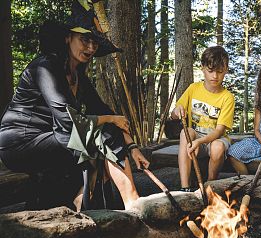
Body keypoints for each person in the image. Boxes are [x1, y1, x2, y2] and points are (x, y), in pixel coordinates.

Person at [0, 0, 149, 211]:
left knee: (100, 133)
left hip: (54, 137)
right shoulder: (46, 67)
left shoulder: (79, 76)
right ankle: (132, 203)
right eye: (85, 40)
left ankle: (83, 201)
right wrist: (110, 120)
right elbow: (69, 121)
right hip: (20, 142)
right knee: (101, 133)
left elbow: (105, 111)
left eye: (95, 43)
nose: (90, 47)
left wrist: (133, 147)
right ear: (67, 37)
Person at [171, 46, 235, 191]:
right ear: (202, 68)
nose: (215, 76)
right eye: (210, 71)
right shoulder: (193, 88)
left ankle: (209, 186)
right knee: (185, 132)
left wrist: (199, 141)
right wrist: (177, 110)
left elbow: (219, 131)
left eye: (219, 72)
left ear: (226, 70)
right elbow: (173, 115)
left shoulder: (227, 97)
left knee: (217, 146)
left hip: (216, 140)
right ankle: (185, 187)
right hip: (196, 140)